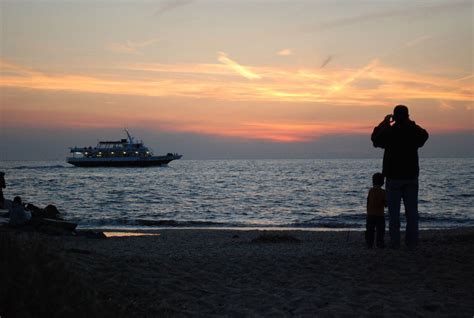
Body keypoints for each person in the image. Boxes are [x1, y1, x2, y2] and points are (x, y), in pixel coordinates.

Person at [371, 105, 429, 250]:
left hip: (394, 177)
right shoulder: (412, 130)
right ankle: (412, 242)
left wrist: (384, 123)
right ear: (408, 116)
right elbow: (424, 135)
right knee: (412, 213)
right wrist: (410, 123)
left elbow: (375, 140)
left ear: (394, 117)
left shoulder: (390, 131)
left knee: (394, 214)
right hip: (410, 176)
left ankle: (395, 243)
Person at [366, 173, 386, 248]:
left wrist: (368, 211)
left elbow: (368, 201)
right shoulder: (383, 192)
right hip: (380, 215)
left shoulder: (371, 191)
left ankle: (369, 243)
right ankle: (380, 243)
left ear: (373, 182)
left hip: (370, 214)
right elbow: (385, 203)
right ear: (382, 182)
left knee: (370, 230)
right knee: (380, 230)